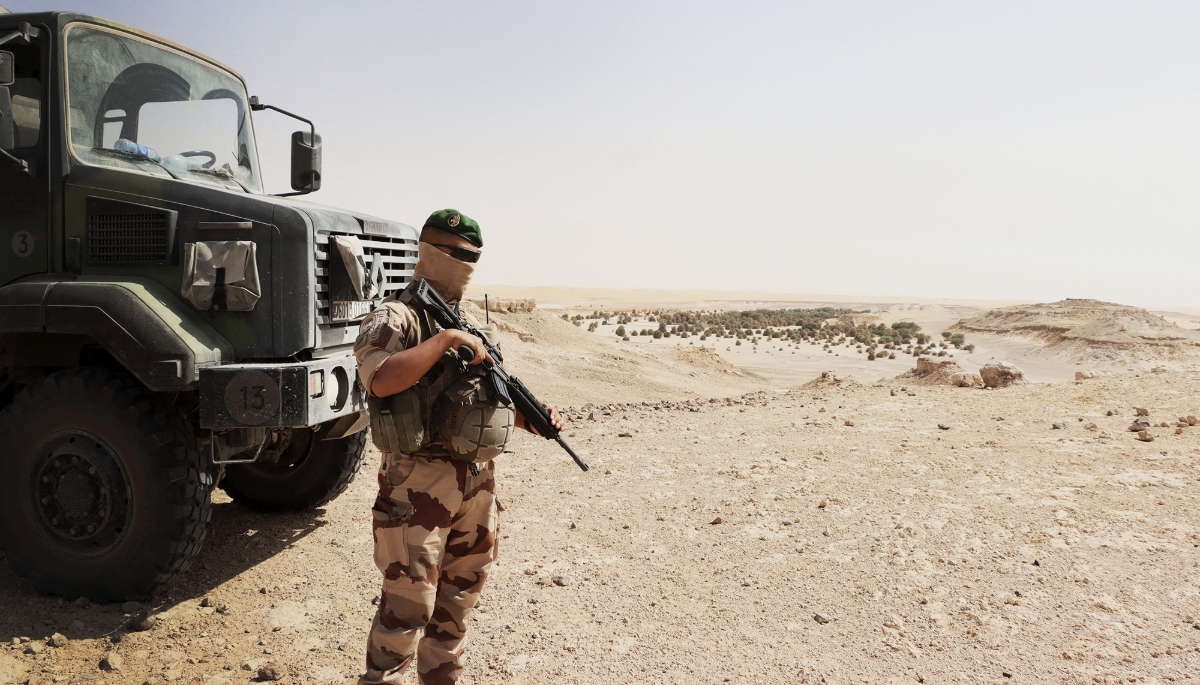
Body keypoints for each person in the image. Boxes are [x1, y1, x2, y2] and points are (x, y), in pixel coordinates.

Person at [354, 209, 564, 685]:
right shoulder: (396, 315)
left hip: (475, 485)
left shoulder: (472, 323)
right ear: (429, 251)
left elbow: (490, 396)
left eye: (473, 258)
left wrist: (534, 418)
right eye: (456, 254)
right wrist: (446, 340)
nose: (466, 265)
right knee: (407, 610)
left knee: (456, 608)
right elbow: (379, 378)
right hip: (417, 485)